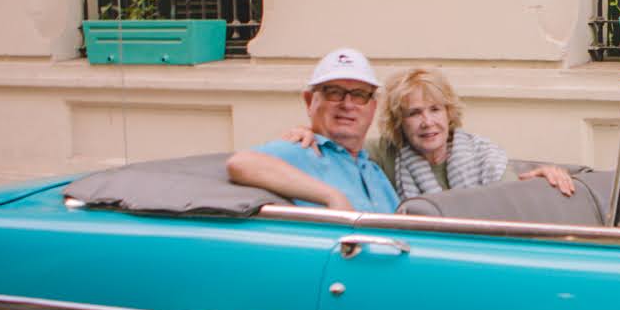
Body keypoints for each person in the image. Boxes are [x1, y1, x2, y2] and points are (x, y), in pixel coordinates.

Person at [226, 48, 400, 213]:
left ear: (372, 107)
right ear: (310, 101)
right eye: (334, 92)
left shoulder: (372, 168)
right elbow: (241, 163)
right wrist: (331, 196)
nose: (347, 104)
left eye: (359, 95)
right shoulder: (301, 149)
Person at [372, 66, 576, 200]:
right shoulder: (389, 154)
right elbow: (344, 148)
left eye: (435, 110)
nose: (427, 122)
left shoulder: (483, 155)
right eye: (414, 113)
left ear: (449, 113)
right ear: (399, 122)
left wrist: (541, 180)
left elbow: (514, 197)